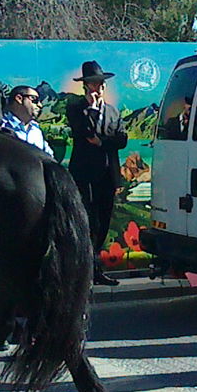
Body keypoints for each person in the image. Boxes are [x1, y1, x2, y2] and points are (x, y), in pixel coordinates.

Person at [67, 61, 127, 286]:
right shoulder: (76, 108)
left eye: (101, 85)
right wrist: (91, 110)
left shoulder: (113, 111)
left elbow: (121, 139)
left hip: (107, 174)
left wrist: (102, 142)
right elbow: (85, 133)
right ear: (85, 87)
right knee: (88, 220)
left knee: (103, 221)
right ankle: (83, 270)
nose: (98, 89)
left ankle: (95, 268)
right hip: (85, 174)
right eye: (93, 85)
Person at [1, 85, 52, 156]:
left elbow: (49, 157)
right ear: (19, 98)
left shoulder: (36, 129)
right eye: (34, 99)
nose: (40, 105)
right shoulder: (1, 127)